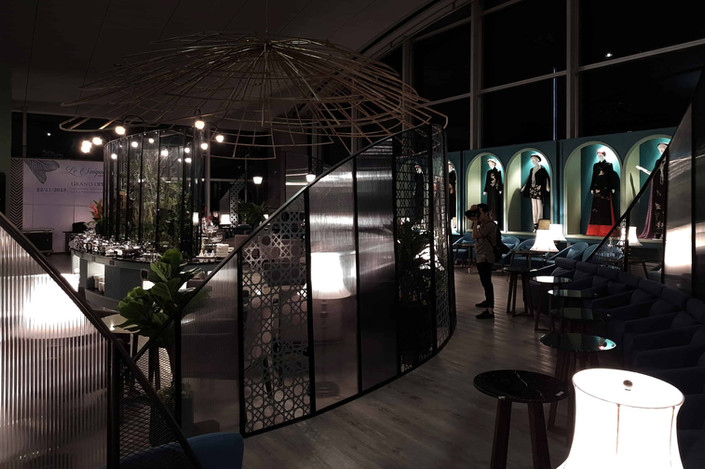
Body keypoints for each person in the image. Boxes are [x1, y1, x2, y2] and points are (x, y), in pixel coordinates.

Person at [469, 203, 497, 320]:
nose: (478, 215)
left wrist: (475, 221)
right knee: (484, 282)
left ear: (486, 213)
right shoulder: (484, 224)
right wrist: (473, 213)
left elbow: (475, 235)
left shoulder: (490, 225)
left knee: (487, 282)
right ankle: (487, 302)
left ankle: (490, 310)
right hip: (481, 256)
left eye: (480, 213)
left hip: (486, 257)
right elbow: (469, 217)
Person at [586, 148, 619, 236]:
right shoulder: (595, 165)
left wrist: (613, 187)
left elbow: (611, 177)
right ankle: (594, 230)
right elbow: (594, 176)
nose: (599, 156)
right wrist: (592, 188)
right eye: (598, 155)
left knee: (605, 209)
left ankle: (606, 230)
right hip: (597, 189)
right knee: (596, 210)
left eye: (601, 155)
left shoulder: (609, 165)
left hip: (606, 189)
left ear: (604, 155)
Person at [520, 154, 550, 230]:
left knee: (539, 205)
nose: (533, 161)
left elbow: (546, 178)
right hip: (532, 189)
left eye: (534, 159)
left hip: (539, 188)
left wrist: (547, 186)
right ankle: (535, 223)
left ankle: (539, 222)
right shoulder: (532, 169)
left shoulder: (542, 169)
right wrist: (525, 187)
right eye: (532, 160)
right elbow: (529, 179)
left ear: (537, 159)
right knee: (534, 206)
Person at [483, 159, 503, 229]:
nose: (490, 165)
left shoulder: (498, 171)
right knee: (489, 204)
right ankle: (490, 219)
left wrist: (500, 189)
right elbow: (487, 181)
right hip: (490, 190)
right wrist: (485, 190)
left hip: (495, 190)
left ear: (494, 164)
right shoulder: (488, 172)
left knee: (495, 204)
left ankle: (495, 220)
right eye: (489, 164)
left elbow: (499, 180)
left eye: (491, 163)